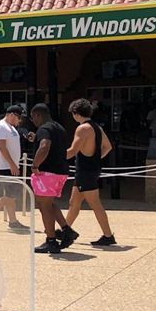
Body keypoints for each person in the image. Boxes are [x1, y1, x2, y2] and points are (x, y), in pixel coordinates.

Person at [63, 98, 116, 246]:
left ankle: (108, 235)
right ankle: (65, 231)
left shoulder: (82, 128)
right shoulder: (97, 127)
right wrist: (95, 158)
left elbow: (72, 151)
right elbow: (108, 147)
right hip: (90, 170)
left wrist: (54, 157)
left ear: (76, 113)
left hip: (85, 171)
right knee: (74, 203)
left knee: (95, 204)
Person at [29, 104, 78, 254]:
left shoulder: (44, 129)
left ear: (38, 115)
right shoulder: (59, 128)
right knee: (48, 203)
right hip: (61, 172)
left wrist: (35, 165)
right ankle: (66, 230)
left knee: (43, 206)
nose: (33, 121)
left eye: (33, 118)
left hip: (47, 172)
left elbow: (44, 146)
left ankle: (51, 241)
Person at [0, 105, 29, 231]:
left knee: (11, 195)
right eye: (18, 118)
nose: (19, 121)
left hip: (10, 165)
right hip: (4, 166)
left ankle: (12, 221)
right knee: (11, 195)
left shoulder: (11, 128)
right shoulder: (0, 126)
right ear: (12, 115)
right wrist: (12, 164)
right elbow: (2, 147)